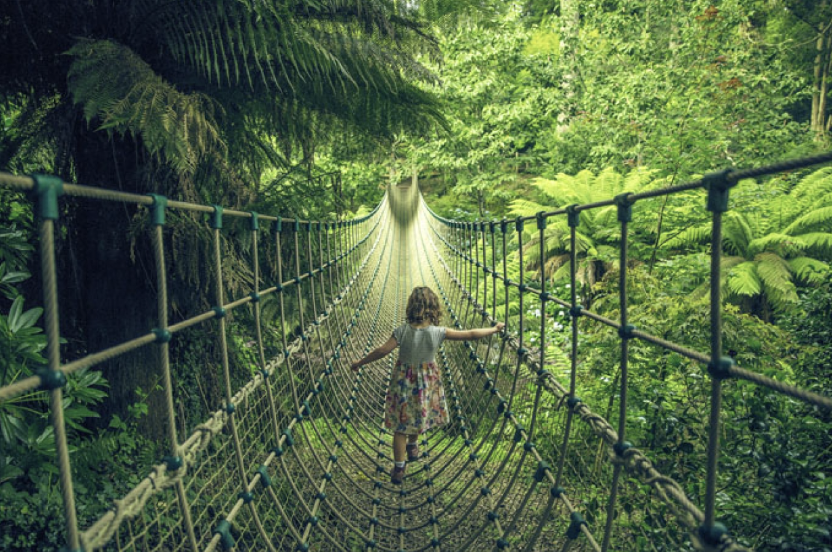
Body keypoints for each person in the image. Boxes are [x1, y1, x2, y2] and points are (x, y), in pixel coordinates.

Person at [350, 286, 504, 484]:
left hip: (402, 383)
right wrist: (494, 329)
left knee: (400, 426)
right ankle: (413, 446)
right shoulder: (438, 332)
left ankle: (399, 467)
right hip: (426, 383)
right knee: (419, 414)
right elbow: (471, 334)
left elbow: (381, 351)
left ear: (410, 308)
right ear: (434, 309)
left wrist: (359, 363)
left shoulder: (402, 331)